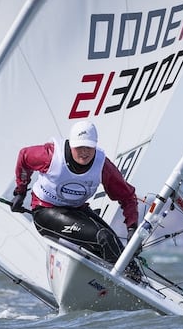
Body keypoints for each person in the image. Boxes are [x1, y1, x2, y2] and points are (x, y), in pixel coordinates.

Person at [10, 120, 143, 280]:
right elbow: (24, 157)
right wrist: (21, 191)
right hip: (45, 211)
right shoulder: (51, 155)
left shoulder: (103, 166)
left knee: (115, 244)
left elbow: (127, 196)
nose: (84, 152)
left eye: (89, 147)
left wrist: (132, 228)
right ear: (71, 144)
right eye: (79, 147)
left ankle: (135, 280)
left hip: (76, 211)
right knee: (103, 238)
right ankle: (115, 282)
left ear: (95, 146)